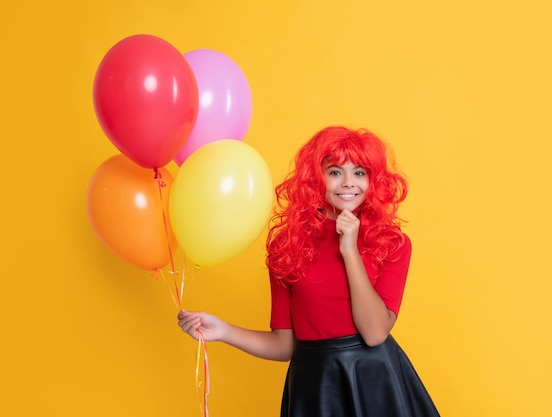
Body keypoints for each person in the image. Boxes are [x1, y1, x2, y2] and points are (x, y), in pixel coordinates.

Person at [178, 126, 440, 417]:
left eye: (360, 173)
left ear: (374, 180)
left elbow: (375, 333)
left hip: (375, 380)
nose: (348, 183)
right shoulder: (287, 245)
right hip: (314, 384)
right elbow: (284, 344)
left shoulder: (392, 244)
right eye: (335, 172)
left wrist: (349, 250)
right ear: (317, 177)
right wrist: (223, 330)